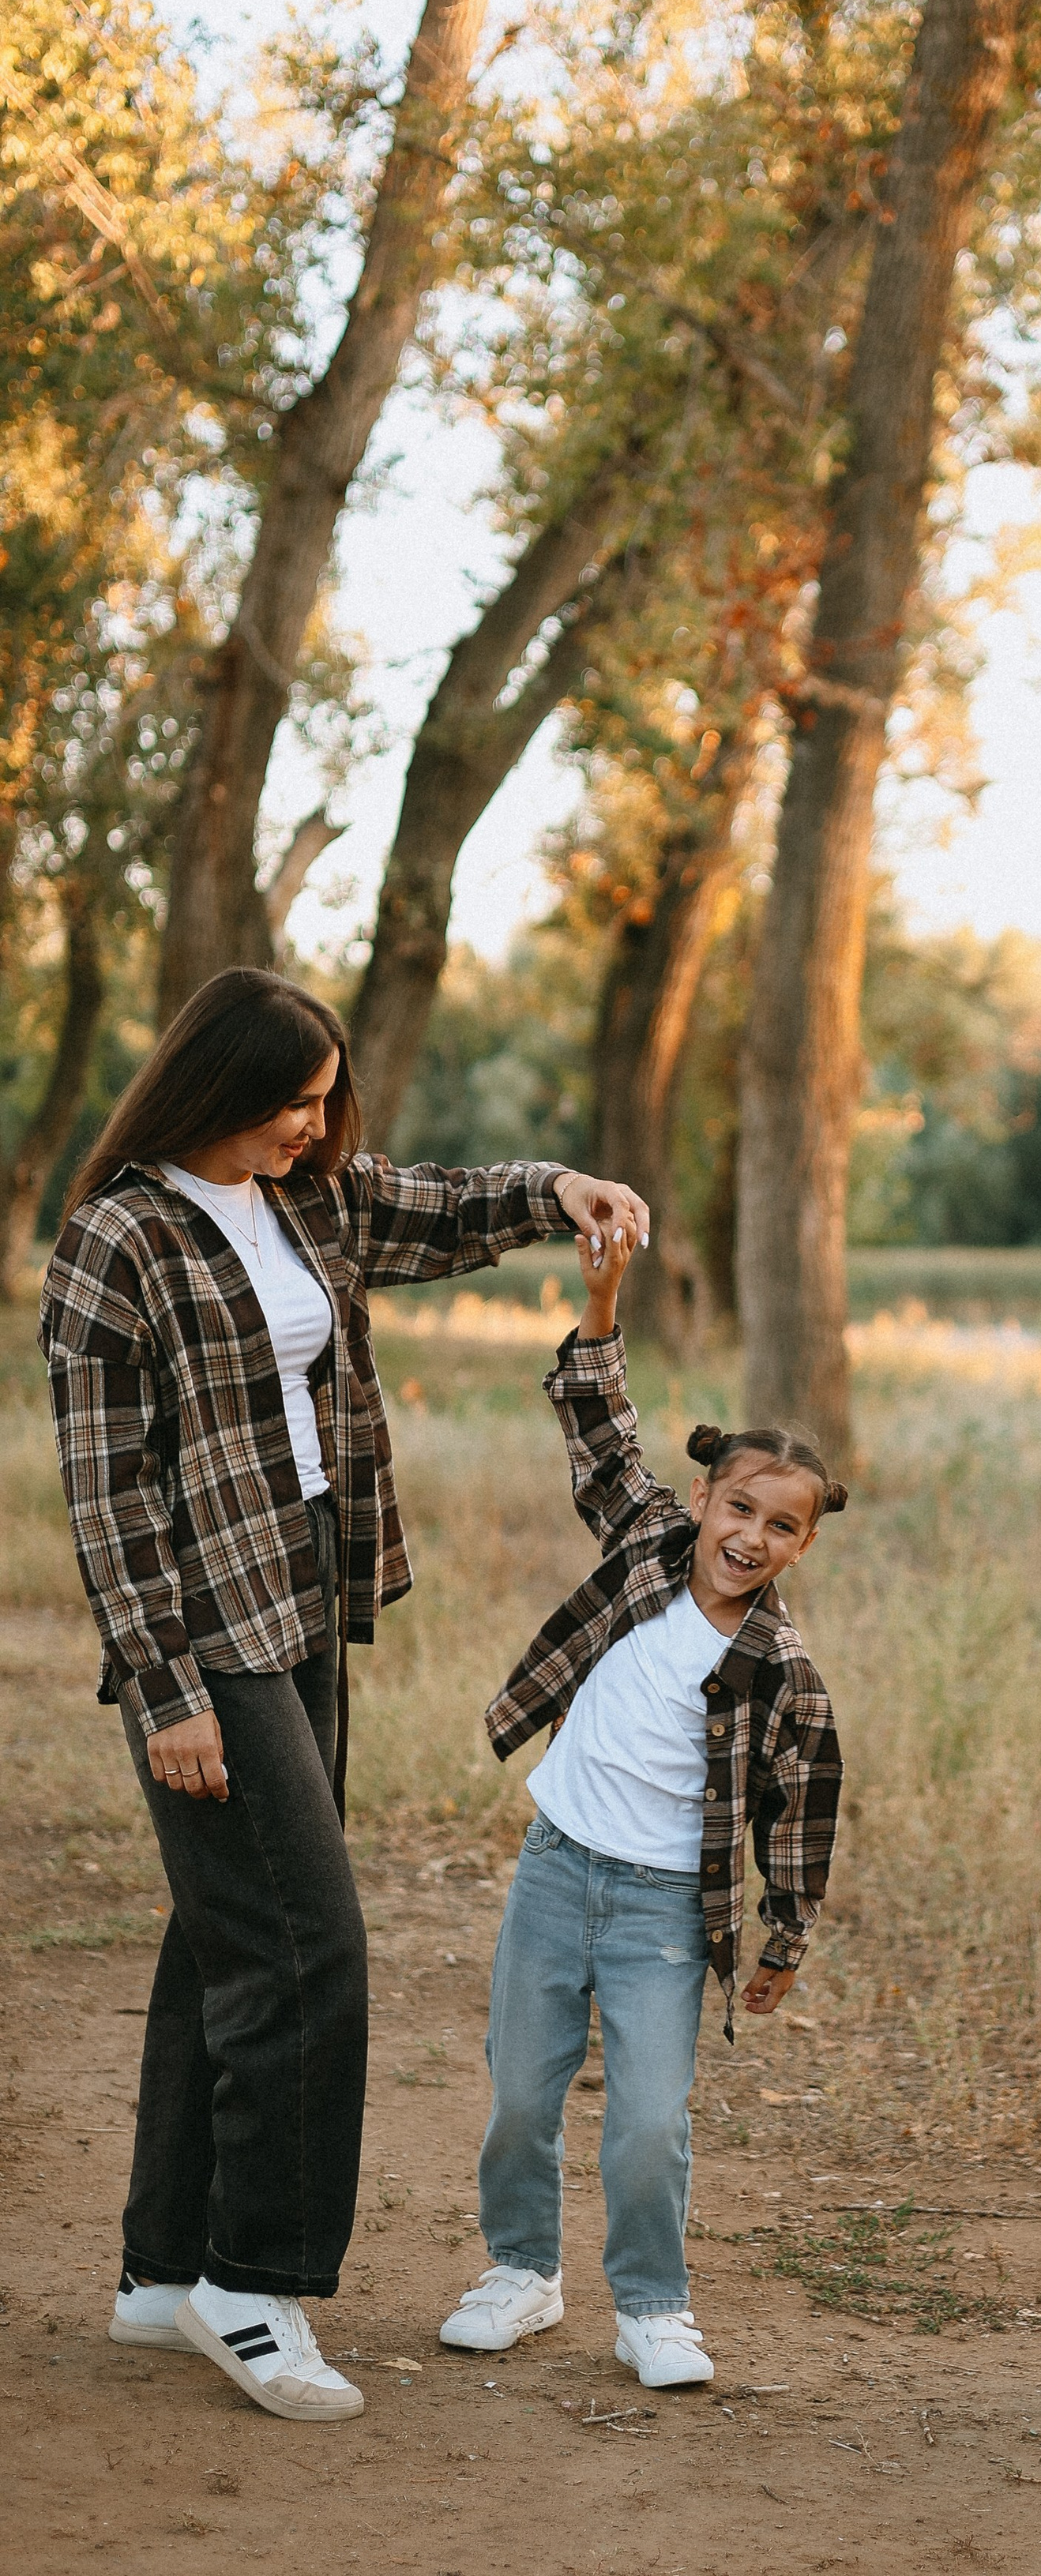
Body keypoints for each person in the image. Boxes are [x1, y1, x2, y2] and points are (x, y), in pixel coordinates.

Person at [39, 966, 650, 2424]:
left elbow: (428, 1203)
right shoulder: (115, 1239)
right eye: (291, 1104)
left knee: (222, 1933)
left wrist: (556, 1186)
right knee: (308, 1951)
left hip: (309, 1589)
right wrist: (162, 1684)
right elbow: (108, 1496)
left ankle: (157, 2270)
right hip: (208, 1625)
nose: (315, 1131)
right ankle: (253, 2284)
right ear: (212, 1087)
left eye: (327, 1105)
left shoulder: (306, 1197)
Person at [439, 1215, 844, 2390]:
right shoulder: (645, 1547)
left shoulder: (787, 1678)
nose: (750, 1537)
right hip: (559, 1867)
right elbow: (599, 1430)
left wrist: (784, 1939)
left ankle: (654, 2305)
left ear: (803, 1544)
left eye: (782, 1527)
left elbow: (803, 1815)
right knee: (521, 2091)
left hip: (669, 1906)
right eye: (739, 1510)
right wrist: (605, 1300)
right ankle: (522, 2271)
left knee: (651, 2122)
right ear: (705, 1499)